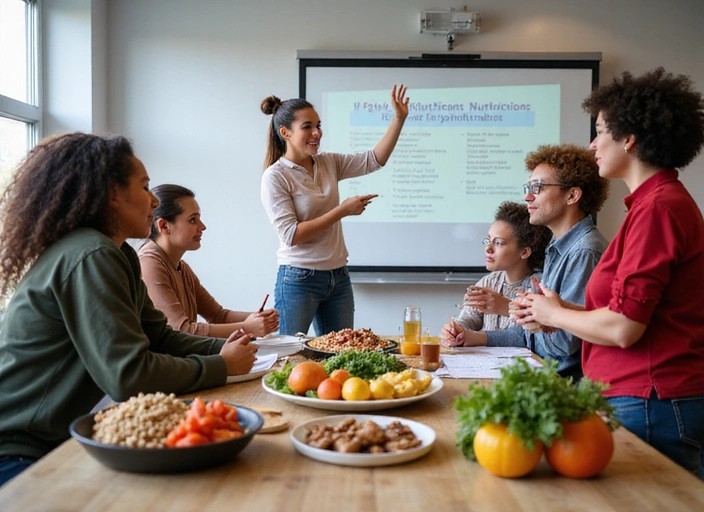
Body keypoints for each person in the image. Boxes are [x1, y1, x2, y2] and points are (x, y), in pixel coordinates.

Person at [0, 133, 257, 487]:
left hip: (48, 442)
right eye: (144, 186)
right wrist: (221, 365)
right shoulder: (93, 255)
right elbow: (129, 375)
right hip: (17, 453)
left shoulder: (118, 253)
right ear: (112, 195)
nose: (154, 201)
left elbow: (161, 337)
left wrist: (227, 352)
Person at [521, 68, 704, 478]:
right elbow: (635, 312)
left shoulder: (658, 209)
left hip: (649, 400)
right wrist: (561, 308)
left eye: (601, 130)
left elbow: (624, 328)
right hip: (642, 399)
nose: (593, 143)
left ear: (629, 139)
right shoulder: (652, 205)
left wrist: (554, 316)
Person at [441, 144, 609, 380]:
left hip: (561, 386)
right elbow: (531, 333)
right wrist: (474, 337)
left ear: (572, 195)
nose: (527, 196)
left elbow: (563, 344)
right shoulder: (559, 247)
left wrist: (533, 320)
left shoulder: (584, 251)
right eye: (528, 188)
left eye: (537, 188)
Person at [260, 85, 409, 336]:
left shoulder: (328, 162)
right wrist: (342, 211)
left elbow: (375, 160)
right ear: (285, 132)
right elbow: (291, 235)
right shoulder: (275, 176)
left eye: (318, 126)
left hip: (338, 277)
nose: (316, 132)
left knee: (339, 358)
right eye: (307, 126)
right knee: (288, 358)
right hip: (299, 279)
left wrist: (399, 119)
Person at [139, 184, 279, 338]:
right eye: (193, 220)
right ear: (164, 226)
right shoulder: (149, 264)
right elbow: (182, 331)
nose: (202, 226)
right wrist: (247, 328)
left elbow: (218, 315)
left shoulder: (181, 267)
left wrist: (260, 319)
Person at [449, 201, 552, 332]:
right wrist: (455, 330)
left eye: (499, 243)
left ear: (525, 252)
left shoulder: (538, 287)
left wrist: (506, 307)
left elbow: (534, 335)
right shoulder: (488, 282)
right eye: (488, 240)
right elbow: (469, 319)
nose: (488, 249)